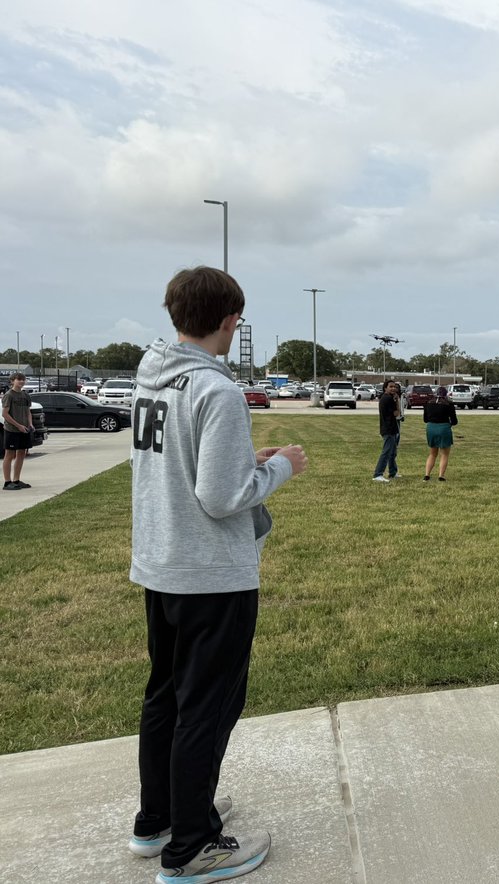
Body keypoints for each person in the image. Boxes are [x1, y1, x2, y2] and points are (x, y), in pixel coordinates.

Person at [128, 266, 308, 882]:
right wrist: (281, 467)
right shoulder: (217, 390)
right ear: (230, 320)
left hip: (162, 561)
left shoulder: (152, 379)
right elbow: (221, 497)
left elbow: (188, 466)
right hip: (211, 575)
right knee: (206, 706)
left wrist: (241, 461)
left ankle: (160, 820)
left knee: (166, 697)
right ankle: (193, 847)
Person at [2, 372, 33, 490]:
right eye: (18, 379)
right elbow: (4, 414)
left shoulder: (26, 396)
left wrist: (29, 424)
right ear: (12, 381)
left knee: (21, 453)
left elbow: (28, 411)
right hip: (12, 429)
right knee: (9, 454)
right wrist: (18, 425)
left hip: (24, 429)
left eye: (23, 379)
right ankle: (7, 482)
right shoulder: (9, 395)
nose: (21, 381)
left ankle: (16, 480)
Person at [423, 385, 457, 481]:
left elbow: (425, 419)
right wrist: (449, 423)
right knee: (444, 454)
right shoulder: (449, 404)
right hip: (444, 428)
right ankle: (441, 476)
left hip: (431, 428)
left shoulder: (428, 403)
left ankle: (427, 475)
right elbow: (454, 421)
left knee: (432, 453)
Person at [372, 379, 403, 482]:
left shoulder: (389, 397)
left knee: (392, 452)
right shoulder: (387, 399)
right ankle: (378, 474)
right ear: (385, 388)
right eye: (391, 386)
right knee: (386, 452)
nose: (393, 388)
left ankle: (393, 472)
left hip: (392, 428)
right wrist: (397, 402)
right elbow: (396, 413)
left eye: (394, 387)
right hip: (388, 429)